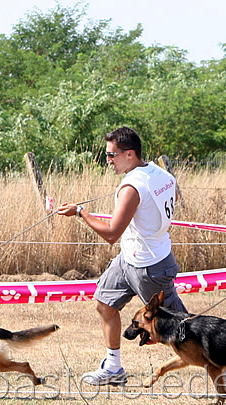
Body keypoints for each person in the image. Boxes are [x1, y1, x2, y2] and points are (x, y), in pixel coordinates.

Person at [57, 126, 187, 385]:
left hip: (149, 266)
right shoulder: (161, 175)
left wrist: (81, 212)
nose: (108, 161)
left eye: (111, 155)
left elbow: (111, 233)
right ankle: (113, 368)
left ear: (129, 154)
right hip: (129, 258)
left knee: (182, 330)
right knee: (104, 303)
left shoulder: (131, 187)